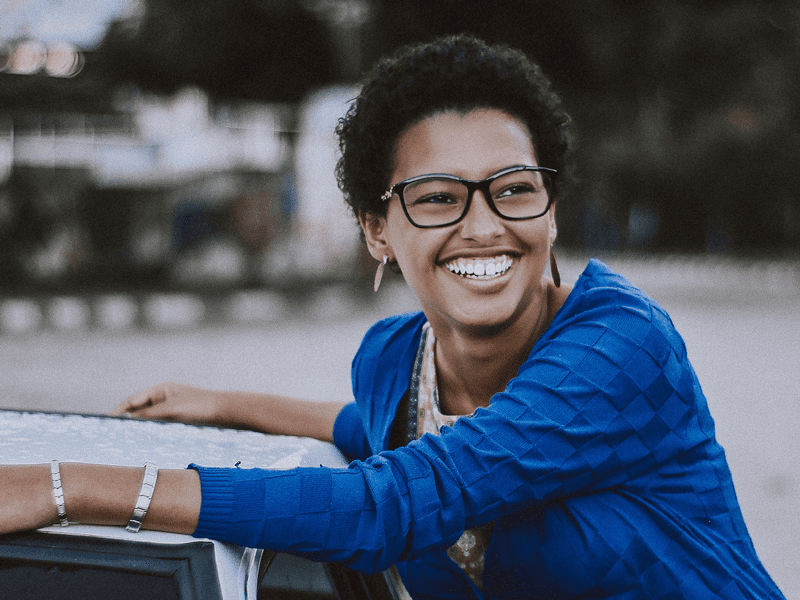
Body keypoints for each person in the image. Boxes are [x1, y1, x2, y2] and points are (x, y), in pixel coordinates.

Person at [0, 35, 785, 600]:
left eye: (512, 187)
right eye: (438, 197)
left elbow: (394, 501)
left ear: (550, 207)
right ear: (378, 229)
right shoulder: (391, 364)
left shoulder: (621, 349)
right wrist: (225, 403)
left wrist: (69, 488)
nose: (483, 226)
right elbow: (379, 428)